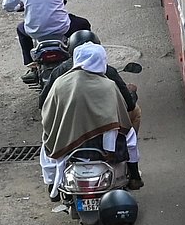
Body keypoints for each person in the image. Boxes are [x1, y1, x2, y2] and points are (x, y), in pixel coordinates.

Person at [40, 41, 136, 199]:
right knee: (130, 136)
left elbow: (47, 115)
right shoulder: (108, 85)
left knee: (46, 144)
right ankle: (134, 175)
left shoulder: (60, 83)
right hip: (104, 149)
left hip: (68, 146)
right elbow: (120, 119)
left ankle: (52, 183)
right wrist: (109, 149)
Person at [39, 28, 141, 139]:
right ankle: (130, 147)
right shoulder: (108, 75)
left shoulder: (59, 76)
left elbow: (43, 102)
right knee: (136, 112)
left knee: (48, 146)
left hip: (68, 130)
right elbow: (128, 105)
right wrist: (131, 93)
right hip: (102, 128)